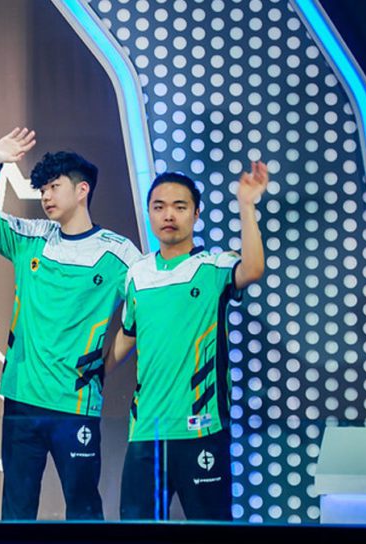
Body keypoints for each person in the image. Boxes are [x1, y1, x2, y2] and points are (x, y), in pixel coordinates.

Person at [0, 128, 141, 520]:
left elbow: (144, 315)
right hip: (21, 399)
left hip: (74, 404)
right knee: (17, 508)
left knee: (83, 508)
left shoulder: (119, 254)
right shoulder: (31, 237)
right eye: (42, 189)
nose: (45, 196)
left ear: (82, 190)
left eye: (54, 187)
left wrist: (102, 368)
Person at [105, 163, 268, 520]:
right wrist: (92, 379)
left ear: (196, 214)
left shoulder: (215, 267)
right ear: (150, 213)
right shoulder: (137, 275)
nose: (169, 215)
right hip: (145, 432)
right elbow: (127, 337)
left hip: (202, 430)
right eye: (159, 207)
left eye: (180, 207)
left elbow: (253, 269)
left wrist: (246, 205)